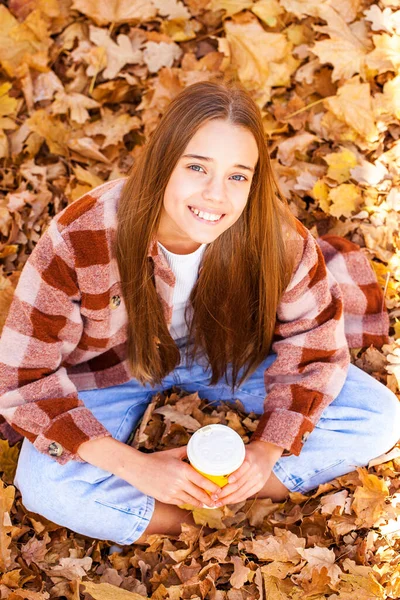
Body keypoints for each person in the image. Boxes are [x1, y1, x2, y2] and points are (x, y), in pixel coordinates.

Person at [1, 81, 399, 547]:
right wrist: (136, 467)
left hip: (227, 356)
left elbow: (314, 346)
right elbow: (22, 378)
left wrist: (267, 451)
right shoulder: (81, 234)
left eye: (237, 176)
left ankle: (240, 498)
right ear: (162, 163)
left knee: (379, 416)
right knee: (43, 487)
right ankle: (185, 522)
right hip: (112, 372)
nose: (216, 196)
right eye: (196, 167)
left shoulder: (276, 239)